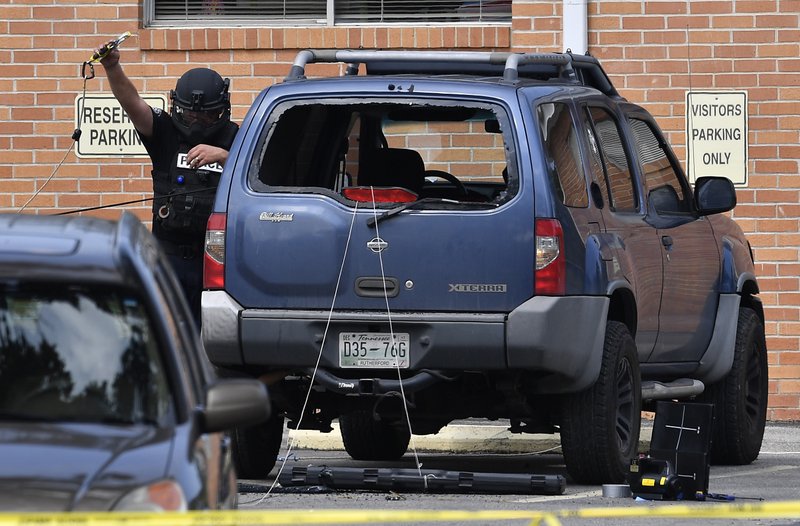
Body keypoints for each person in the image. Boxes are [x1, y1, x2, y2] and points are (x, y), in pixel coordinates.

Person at [95, 39, 239, 325]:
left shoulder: (235, 139)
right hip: (167, 258)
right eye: (190, 114)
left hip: (214, 259)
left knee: (211, 333)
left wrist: (224, 157)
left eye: (206, 115)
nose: (197, 122)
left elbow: (258, 172)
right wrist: (112, 66)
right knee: (165, 332)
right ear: (178, 107)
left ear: (220, 111)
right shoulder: (164, 133)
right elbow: (133, 104)